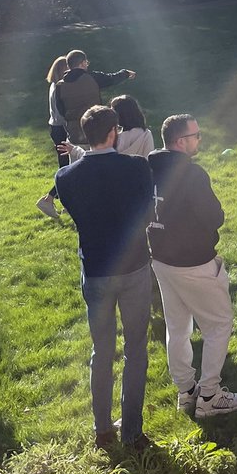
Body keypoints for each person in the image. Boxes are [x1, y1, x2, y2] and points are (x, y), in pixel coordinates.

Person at [54, 104, 153, 451]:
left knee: (102, 350)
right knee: (136, 350)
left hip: (95, 269)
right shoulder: (138, 167)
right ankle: (133, 432)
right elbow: (147, 213)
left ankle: (102, 430)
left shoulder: (65, 177)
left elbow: (77, 214)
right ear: (114, 132)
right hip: (135, 266)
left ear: (86, 134)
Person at [148, 114, 237, 418]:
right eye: (196, 135)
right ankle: (209, 395)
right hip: (193, 262)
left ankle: (186, 391)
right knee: (218, 324)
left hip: (161, 259)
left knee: (177, 326)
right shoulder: (191, 174)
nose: (199, 140)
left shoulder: (146, 169)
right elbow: (214, 216)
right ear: (181, 141)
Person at [55, 49, 136, 145]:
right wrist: (125, 73)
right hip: (95, 131)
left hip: (74, 134)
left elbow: (60, 110)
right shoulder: (92, 78)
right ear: (83, 63)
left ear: (69, 66)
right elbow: (111, 79)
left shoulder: (60, 85)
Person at [36, 55, 70, 220]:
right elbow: (64, 112)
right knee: (67, 168)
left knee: (67, 166)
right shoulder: (60, 87)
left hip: (55, 128)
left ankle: (66, 204)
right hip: (62, 129)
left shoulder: (53, 85)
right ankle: (48, 199)